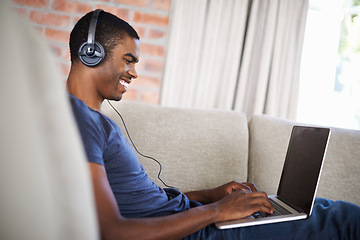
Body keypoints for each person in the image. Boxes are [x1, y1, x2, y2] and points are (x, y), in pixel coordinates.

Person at [67, 10, 360, 240]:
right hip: (196, 233)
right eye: (128, 60)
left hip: (196, 220)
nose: (134, 72)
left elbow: (142, 203)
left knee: (318, 208)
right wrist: (217, 211)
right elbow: (113, 232)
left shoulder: (89, 120)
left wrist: (210, 196)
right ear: (90, 53)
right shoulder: (81, 122)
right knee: (341, 219)